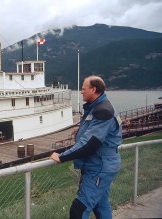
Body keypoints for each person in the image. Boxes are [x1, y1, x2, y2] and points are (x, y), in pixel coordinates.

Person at [50, 75, 122, 219]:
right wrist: (81, 129)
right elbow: (97, 132)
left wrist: (62, 157)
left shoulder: (103, 111)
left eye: (83, 89)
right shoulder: (98, 107)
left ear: (93, 89)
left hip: (99, 167)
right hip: (100, 164)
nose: (81, 92)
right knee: (101, 206)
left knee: (78, 210)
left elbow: (89, 144)